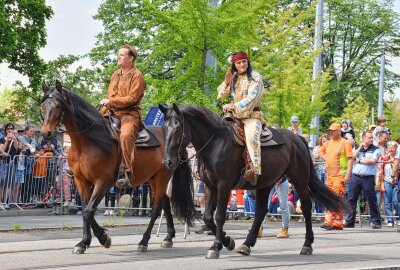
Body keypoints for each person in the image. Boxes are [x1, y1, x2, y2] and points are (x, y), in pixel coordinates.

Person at [100, 44, 146, 188]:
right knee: (92, 125)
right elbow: (111, 95)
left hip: (130, 114)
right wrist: (106, 106)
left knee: (125, 135)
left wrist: (111, 101)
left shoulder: (137, 75)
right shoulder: (115, 74)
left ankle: (127, 171)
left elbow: (132, 98)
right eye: (118, 54)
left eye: (121, 55)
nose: (118, 57)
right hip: (112, 111)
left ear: (130, 58)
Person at [217, 51, 265, 186]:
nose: (242, 64)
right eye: (238, 63)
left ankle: (254, 170)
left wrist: (233, 105)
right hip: (234, 117)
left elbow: (252, 98)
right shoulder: (234, 76)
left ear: (247, 62)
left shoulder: (255, 77)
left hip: (251, 116)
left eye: (244, 61)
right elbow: (221, 94)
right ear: (234, 64)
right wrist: (227, 83)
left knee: (251, 137)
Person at [319, 123, 353, 230]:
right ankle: (338, 223)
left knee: (332, 198)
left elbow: (350, 159)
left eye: (333, 131)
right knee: (337, 199)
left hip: (340, 176)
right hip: (329, 176)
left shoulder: (345, 143)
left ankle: (328, 221)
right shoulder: (328, 143)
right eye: (330, 130)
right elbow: (320, 151)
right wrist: (326, 159)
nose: (331, 132)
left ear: (339, 131)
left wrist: (347, 174)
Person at [344, 131, 381, 229]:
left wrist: (360, 161)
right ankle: (350, 221)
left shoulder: (375, 149)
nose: (371, 139)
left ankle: (376, 221)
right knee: (351, 199)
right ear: (363, 138)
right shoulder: (358, 148)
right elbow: (352, 157)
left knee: (371, 199)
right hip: (356, 177)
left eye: (372, 138)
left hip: (368, 178)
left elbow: (372, 161)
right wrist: (360, 148)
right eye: (369, 138)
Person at [0, 123, 22, 205]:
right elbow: (2, 149)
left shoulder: (16, 139)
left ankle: (6, 202)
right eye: (8, 128)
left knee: (9, 183)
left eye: (12, 128)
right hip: (3, 163)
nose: (10, 129)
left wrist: (14, 140)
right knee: (2, 183)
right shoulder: (2, 139)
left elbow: (17, 149)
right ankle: (0, 202)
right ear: (5, 130)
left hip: (13, 163)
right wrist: (7, 140)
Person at [381, 141, 399, 227]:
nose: (391, 149)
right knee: (387, 202)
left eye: (393, 147)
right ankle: (390, 220)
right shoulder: (383, 159)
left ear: (396, 149)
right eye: (389, 147)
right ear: (387, 149)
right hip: (386, 181)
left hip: (396, 182)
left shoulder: (398, 158)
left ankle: (398, 218)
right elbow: (381, 172)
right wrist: (382, 184)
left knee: (396, 201)